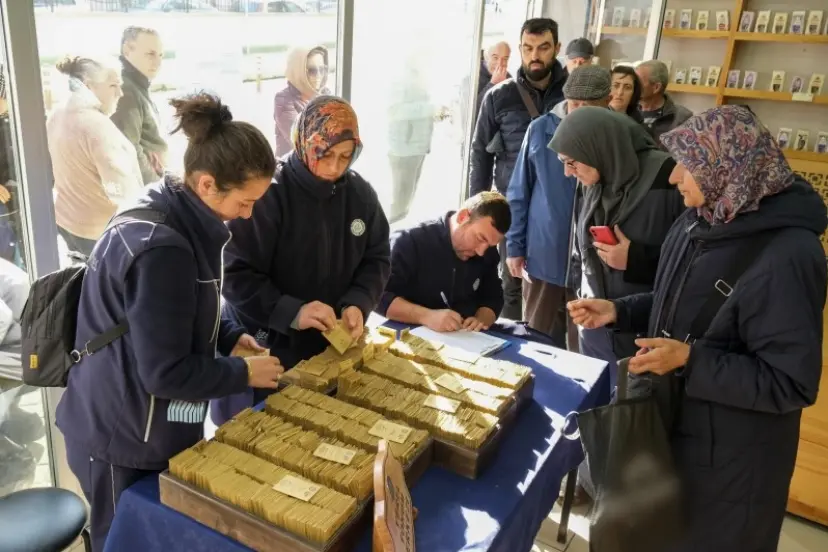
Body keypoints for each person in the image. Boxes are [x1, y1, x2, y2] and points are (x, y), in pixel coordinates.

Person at [568, 105, 827, 552]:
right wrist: (619, 311)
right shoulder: (701, 218)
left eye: (686, 165)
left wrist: (690, 361)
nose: (673, 177)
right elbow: (682, 304)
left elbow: (790, 383)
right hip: (677, 440)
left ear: (725, 166)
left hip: (731, 468)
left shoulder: (790, 255)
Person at [55, 93, 284, 552]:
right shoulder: (163, 250)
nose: (249, 214)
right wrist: (243, 373)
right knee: (125, 540)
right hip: (120, 436)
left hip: (147, 422)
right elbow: (165, 372)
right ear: (206, 184)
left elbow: (187, 309)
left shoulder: (175, 212)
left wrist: (230, 336)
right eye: (245, 202)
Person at [216, 96, 390, 424]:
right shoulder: (266, 192)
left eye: (345, 156)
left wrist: (358, 302)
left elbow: (377, 257)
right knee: (260, 432)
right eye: (325, 155)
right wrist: (293, 311)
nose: (335, 167)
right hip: (267, 344)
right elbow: (234, 274)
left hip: (329, 347)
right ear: (305, 144)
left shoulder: (361, 195)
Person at [548, 107, 685, 386]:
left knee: (633, 406)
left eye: (571, 162)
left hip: (645, 334)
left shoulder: (669, 178)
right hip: (595, 328)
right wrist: (578, 292)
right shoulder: (593, 177)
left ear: (599, 148)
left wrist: (635, 259)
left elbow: (691, 265)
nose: (567, 172)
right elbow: (579, 244)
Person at [470, 18, 568, 320]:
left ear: (557, 48)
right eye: (528, 48)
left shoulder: (572, 96)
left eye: (543, 48)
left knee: (556, 288)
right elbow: (480, 155)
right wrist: (476, 207)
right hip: (510, 205)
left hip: (557, 209)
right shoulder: (498, 95)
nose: (535, 55)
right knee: (510, 280)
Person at [509, 65, 610, 347]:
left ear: (607, 101)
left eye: (589, 105)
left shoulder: (614, 134)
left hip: (594, 264)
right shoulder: (541, 129)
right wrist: (514, 247)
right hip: (543, 254)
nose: (579, 112)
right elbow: (519, 192)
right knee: (533, 338)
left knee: (585, 346)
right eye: (574, 104)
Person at [47, 55, 144, 257]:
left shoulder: (57, 115)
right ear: (89, 86)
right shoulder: (98, 127)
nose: (120, 93)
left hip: (66, 221)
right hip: (99, 232)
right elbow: (122, 191)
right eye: (113, 85)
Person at [378, 191, 509, 332]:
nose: (481, 251)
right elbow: (378, 295)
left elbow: (493, 296)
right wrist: (426, 316)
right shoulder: (409, 241)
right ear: (462, 217)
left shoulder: (487, 252)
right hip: (411, 333)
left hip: (466, 336)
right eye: (480, 238)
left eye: (490, 245)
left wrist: (481, 319)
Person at [111, 26, 168, 185]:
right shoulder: (126, 91)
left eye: (161, 55)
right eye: (150, 54)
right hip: (147, 188)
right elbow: (129, 150)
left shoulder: (137, 86)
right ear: (127, 50)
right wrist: (157, 187)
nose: (158, 62)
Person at [273, 45, 331, 158]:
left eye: (322, 69)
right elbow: (302, 143)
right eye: (312, 70)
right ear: (298, 72)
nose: (319, 75)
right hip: (293, 166)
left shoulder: (325, 94)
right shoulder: (284, 100)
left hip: (322, 163)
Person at [635, 60, 692, 147]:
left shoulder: (683, 118)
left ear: (656, 87)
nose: (633, 86)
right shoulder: (626, 111)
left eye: (638, 82)